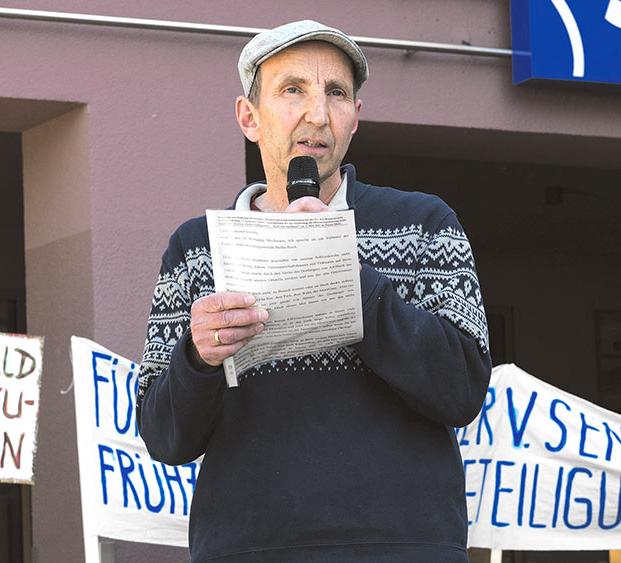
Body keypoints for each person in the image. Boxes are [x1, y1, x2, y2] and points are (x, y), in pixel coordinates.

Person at [137, 20, 491, 562]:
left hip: (402, 550)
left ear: (356, 118)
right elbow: (164, 436)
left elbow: (462, 389)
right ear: (248, 118)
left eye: (337, 93)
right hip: (247, 550)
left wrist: (353, 280)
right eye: (292, 90)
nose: (317, 114)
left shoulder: (423, 224)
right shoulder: (195, 248)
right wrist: (198, 358)